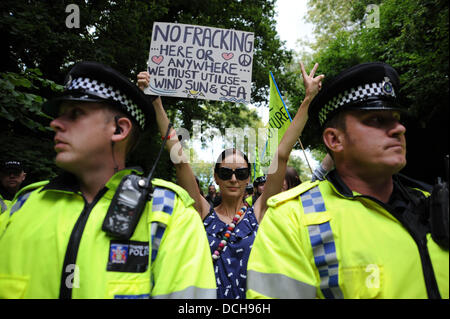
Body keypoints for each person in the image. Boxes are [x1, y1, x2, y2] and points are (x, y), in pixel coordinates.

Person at [0, 61, 216, 299]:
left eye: (76, 114)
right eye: (61, 114)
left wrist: (157, 105)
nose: (55, 124)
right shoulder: (21, 210)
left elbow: (181, 163)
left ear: (119, 129)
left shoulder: (167, 214)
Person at [246, 62, 449, 299]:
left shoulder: (435, 204)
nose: (399, 129)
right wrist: (308, 100)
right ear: (334, 140)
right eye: (376, 120)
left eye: (395, 118)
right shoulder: (292, 221)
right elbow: (281, 155)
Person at [137, 62, 324, 299]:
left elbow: (282, 154)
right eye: (226, 173)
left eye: (241, 173)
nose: (234, 179)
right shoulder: (202, 211)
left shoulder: (260, 212)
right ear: (216, 177)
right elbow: (180, 160)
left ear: (248, 177)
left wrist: (308, 99)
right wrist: (156, 102)